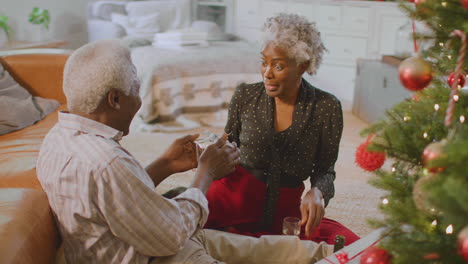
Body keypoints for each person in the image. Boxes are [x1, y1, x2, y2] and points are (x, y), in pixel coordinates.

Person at [37, 39, 335, 264]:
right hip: (156, 253)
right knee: (229, 245)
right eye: (136, 90)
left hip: (142, 235)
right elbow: (170, 236)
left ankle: (332, 253)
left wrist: (165, 163)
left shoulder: (58, 139)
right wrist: (205, 175)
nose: (140, 102)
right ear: (114, 99)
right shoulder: (107, 161)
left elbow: (115, 197)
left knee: (248, 246)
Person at [205, 13, 360, 245]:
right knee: (183, 232)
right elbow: (228, 147)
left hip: (286, 215)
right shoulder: (245, 95)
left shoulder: (326, 107)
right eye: (263, 62)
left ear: (303, 65)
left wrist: (317, 192)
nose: (267, 72)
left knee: (350, 246)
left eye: (278, 65)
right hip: (231, 201)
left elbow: (325, 169)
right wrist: (208, 154)